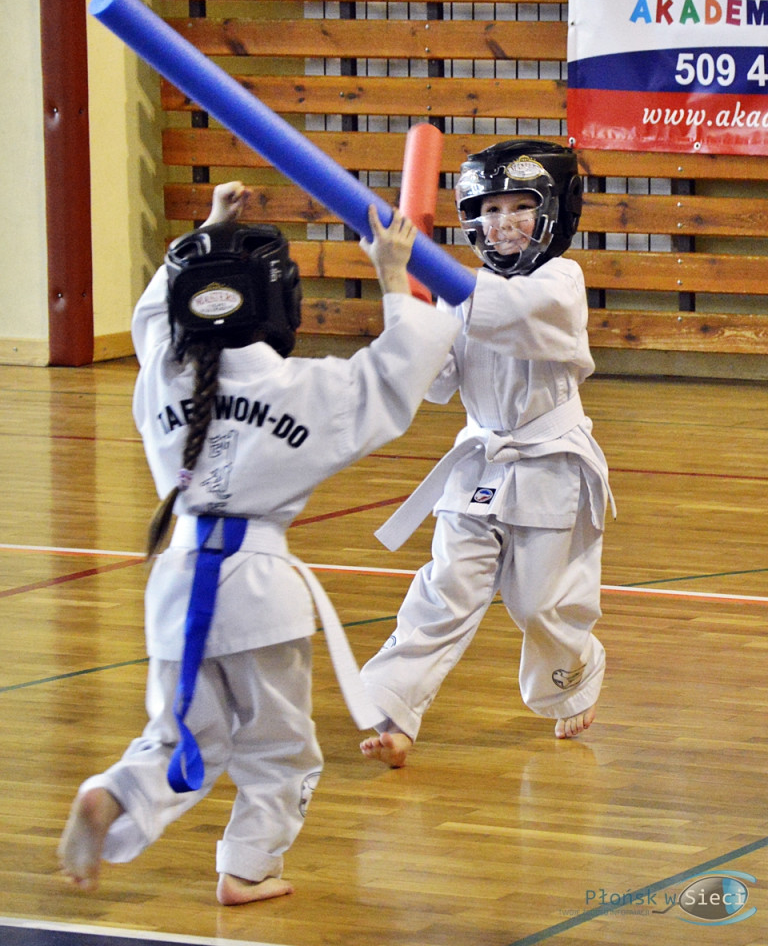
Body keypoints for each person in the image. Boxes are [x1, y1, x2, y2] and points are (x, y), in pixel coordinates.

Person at [58, 182, 461, 903]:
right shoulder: (308, 390)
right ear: (280, 304)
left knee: (182, 734)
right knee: (280, 749)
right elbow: (402, 368)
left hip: (176, 578)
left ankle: (114, 793)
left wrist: (208, 232)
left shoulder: (161, 377)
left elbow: (151, 317)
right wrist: (393, 273)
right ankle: (248, 868)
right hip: (259, 589)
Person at [359, 140, 614, 769]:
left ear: (554, 212)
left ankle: (575, 673)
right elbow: (432, 376)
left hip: (550, 464)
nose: (502, 223)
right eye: (489, 209)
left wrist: (425, 271)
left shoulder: (561, 281)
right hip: (479, 463)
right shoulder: (460, 291)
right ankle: (395, 709)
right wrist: (398, 284)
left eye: (519, 207)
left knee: (538, 604)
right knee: (446, 586)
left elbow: (513, 314)